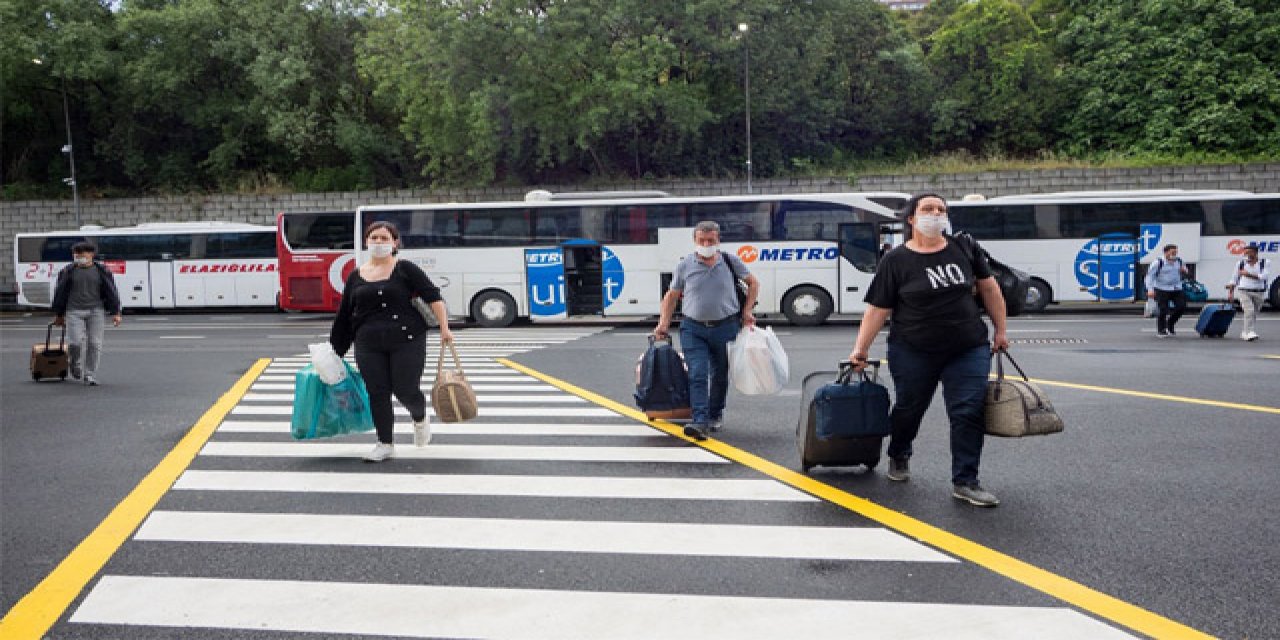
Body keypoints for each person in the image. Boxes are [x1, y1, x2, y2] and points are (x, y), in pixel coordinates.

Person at [847, 193, 1010, 507]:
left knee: (967, 412)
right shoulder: (895, 260)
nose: (936, 214)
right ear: (911, 219)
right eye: (928, 209)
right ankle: (899, 452)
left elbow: (989, 287)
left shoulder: (964, 247)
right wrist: (860, 350)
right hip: (913, 349)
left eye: (941, 210)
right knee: (909, 408)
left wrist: (1001, 330)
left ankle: (966, 481)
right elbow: (878, 309)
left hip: (968, 347)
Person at [330, 221, 454, 462]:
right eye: (373, 238)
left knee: (405, 389)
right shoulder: (356, 275)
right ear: (366, 242)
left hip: (407, 338)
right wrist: (335, 350)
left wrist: (445, 328)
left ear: (395, 243)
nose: (378, 242)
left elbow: (433, 297)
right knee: (377, 392)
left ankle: (419, 417)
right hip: (367, 342)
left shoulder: (405, 268)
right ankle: (385, 443)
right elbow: (345, 314)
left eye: (384, 238)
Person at [654, 221, 760, 441]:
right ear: (695, 241)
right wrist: (663, 324)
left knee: (720, 375)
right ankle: (700, 421)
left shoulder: (731, 261)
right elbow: (672, 296)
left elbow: (753, 283)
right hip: (693, 328)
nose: (706, 244)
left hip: (726, 326)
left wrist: (747, 311)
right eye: (701, 241)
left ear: (718, 240)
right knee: (698, 374)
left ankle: (714, 414)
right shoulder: (685, 265)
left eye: (710, 241)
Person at [51, 242, 123, 386]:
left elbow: (111, 291)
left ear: (91, 255)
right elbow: (59, 292)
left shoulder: (102, 270)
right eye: (76, 255)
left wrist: (115, 312)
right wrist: (59, 314)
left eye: (82, 255)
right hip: (73, 311)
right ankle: (74, 364)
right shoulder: (67, 271)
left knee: (94, 343)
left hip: (96, 310)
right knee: (75, 343)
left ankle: (89, 374)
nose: (78, 257)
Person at [1226, 244, 1270, 341]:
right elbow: (1234, 279)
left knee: (1253, 313)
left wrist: (1248, 274)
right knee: (1249, 311)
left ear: (1255, 253)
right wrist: (1230, 293)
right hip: (1244, 290)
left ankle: (1246, 331)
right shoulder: (1241, 263)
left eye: (1248, 252)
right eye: (1245, 252)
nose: (1246, 255)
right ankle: (1249, 332)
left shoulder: (1264, 262)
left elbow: (1263, 277)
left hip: (1259, 291)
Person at [1144, 244, 1189, 337]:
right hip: (1161, 288)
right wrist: (1150, 289)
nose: (1174, 254)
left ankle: (1170, 324)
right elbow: (1149, 276)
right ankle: (1161, 330)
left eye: (1175, 252)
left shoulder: (1179, 261)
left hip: (1176, 287)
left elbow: (1185, 270)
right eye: (1172, 252)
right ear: (1166, 252)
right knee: (1163, 310)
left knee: (1181, 306)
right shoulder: (1158, 262)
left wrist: (1184, 271)